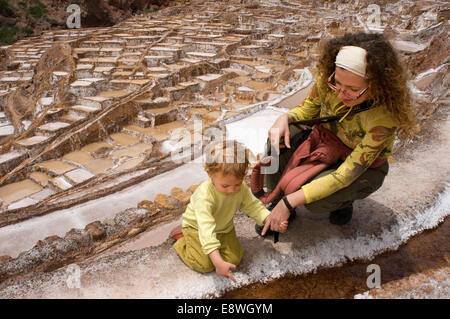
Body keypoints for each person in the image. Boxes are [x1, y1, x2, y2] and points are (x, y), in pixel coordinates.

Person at [258, 32, 418, 236]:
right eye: (338, 84)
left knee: (318, 202)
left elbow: (344, 175)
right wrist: (284, 119)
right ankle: (277, 201)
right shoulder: (327, 82)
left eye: (353, 89)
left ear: (377, 84)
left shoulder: (383, 119)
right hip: (325, 145)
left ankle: (341, 202)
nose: (341, 94)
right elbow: (307, 111)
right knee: (279, 136)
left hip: (359, 168)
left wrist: (291, 201)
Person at [172, 140, 288, 282]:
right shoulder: (204, 196)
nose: (232, 190)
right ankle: (182, 242)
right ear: (209, 174)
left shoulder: (240, 188)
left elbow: (252, 206)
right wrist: (217, 261)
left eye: (237, 184)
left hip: (223, 228)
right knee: (204, 265)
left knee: (235, 258)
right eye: (225, 185)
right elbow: (206, 229)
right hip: (197, 228)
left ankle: (213, 249)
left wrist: (269, 219)